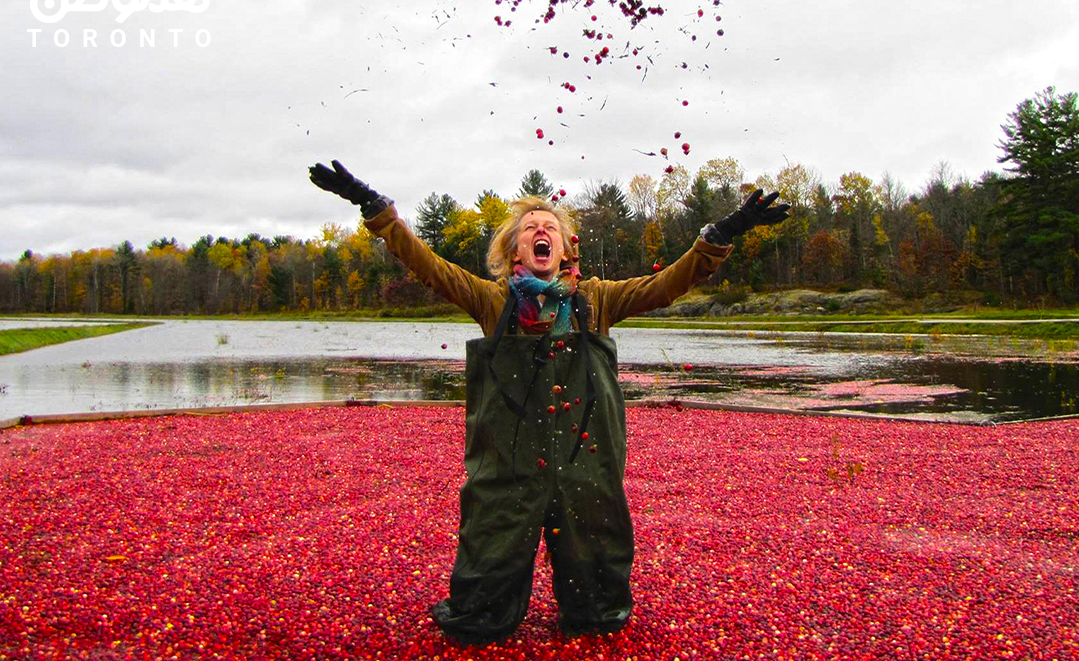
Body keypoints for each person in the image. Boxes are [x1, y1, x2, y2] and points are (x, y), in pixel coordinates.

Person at [308, 160, 789, 645]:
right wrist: (376, 209)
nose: (542, 232)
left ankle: (595, 610)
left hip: (588, 461)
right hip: (506, 462)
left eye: (551, 229)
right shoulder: (492, 300)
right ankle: (485, 610)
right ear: (514, 248)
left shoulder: (597, 300)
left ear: (563, 247)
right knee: (483, 591)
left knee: (599, 597)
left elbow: (667, 284)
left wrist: (722, 233)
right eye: (531, 229)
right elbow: (429, 266)